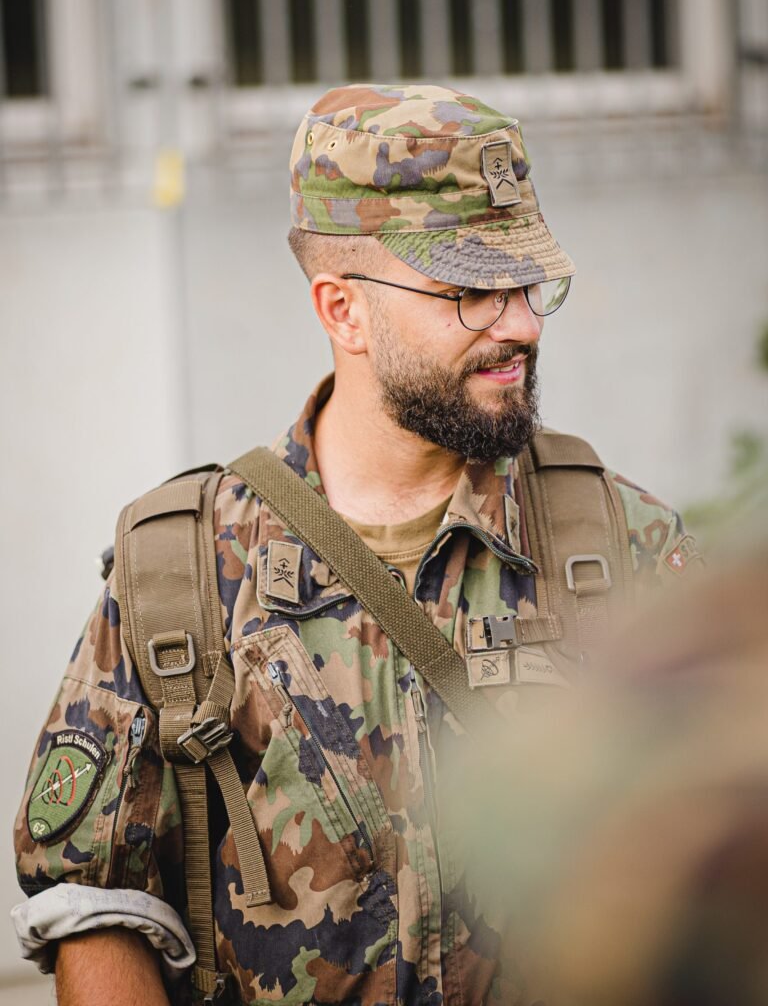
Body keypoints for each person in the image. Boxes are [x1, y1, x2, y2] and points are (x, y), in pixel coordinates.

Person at [13, 84, 699, 1006]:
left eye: (530, 284)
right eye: (468, 293)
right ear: (342, 311)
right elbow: (95, 901)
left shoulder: (621, 549)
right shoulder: (180, 573)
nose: (524, 325)